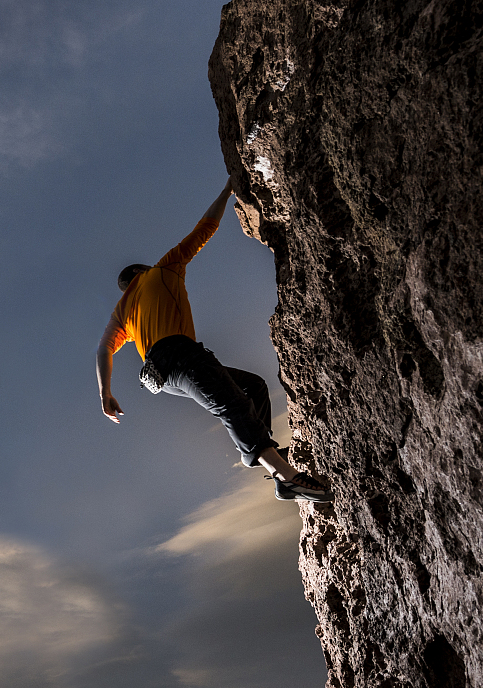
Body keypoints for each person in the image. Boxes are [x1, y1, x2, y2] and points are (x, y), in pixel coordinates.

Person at [95, 180, 333, 502]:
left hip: (162, 378)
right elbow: (205, 228)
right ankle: (285, 477)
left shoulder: (122, 310)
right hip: (180, 355)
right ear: (142, 269)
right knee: (231, 404)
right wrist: (225, 193)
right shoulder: (162, 269)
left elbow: (104, 349)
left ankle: (266, 452)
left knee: (253, 387)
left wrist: (105, 393)